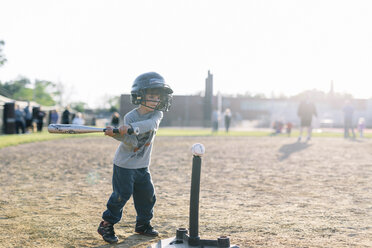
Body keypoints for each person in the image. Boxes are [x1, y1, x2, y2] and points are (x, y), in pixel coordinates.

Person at [97, 72, 173, 244]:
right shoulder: (131, 116)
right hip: (125, 165)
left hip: (142, 165)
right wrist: (115, 134)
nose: (156, 101)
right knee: (121, 195)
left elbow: (150, 125)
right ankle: (106, 224)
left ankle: (143, 225)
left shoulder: (156, 115)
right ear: (140, 96)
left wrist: (130, 128)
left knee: (148, 195)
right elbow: (131, 142)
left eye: (158, 97)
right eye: (152, 97)